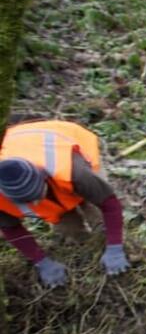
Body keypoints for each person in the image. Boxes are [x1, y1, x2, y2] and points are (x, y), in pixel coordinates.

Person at [0, 119, 129, 286]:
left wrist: (115, 247)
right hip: (16, 144)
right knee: (68, 225)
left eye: (38, 195)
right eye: (28, 201)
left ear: (44, 179)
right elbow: (12, 229)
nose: (37, 203)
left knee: (92, 208)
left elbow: (109, 204)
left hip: (64, 139)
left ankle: (105, 240)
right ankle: (82, 246)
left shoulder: (76, 172)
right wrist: (41, 262)